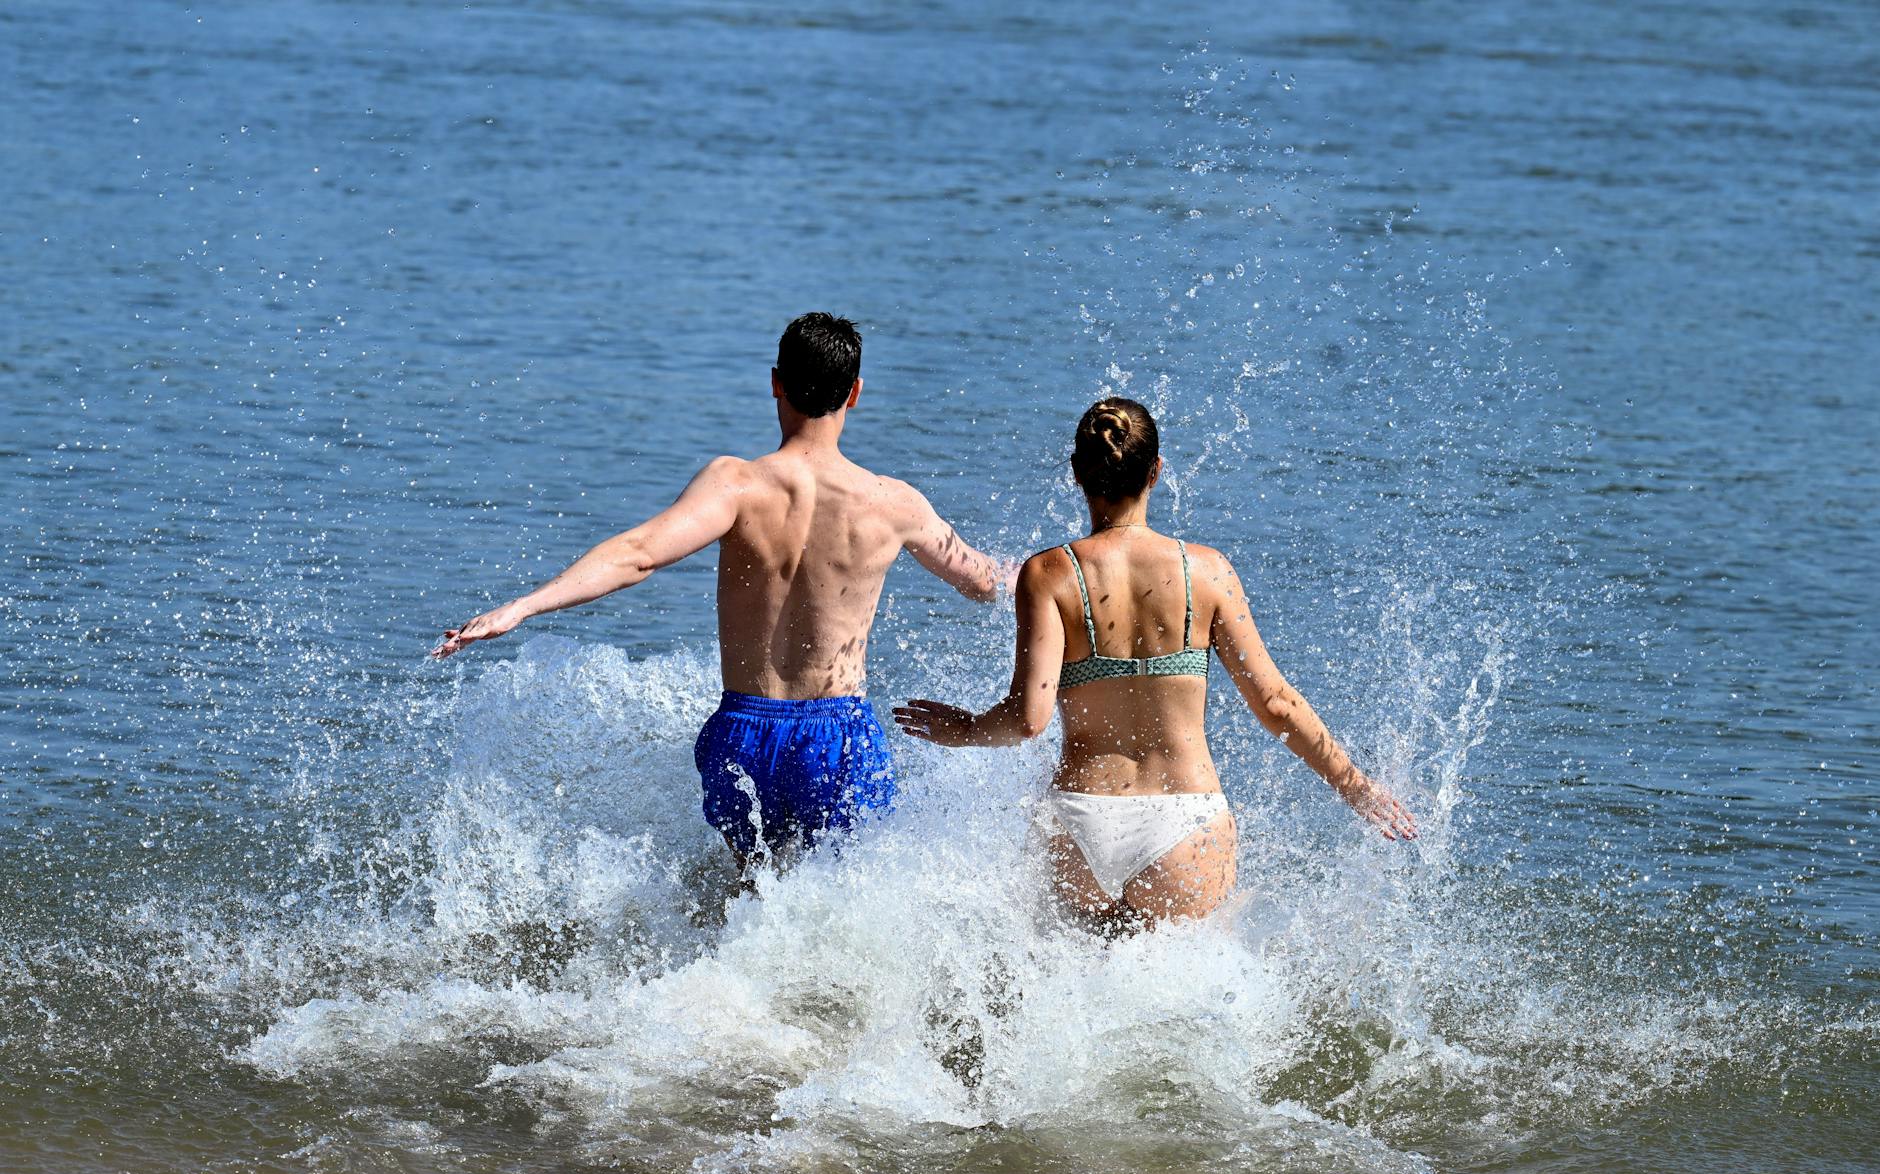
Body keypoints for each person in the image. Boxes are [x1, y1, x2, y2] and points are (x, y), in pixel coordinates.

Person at [433, 313, 1006, 868]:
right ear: (854, 393)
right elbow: (981, 581)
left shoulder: (736, 486)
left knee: (752, 904)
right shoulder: (892, 503)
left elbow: (638, 555)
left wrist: (525, 605)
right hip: (839, 739)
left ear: (775, 382)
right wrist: (1052, 566)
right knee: (843, 902)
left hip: (743, 737)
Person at [894, 397, 1415, 929]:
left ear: (1076, 471)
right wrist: (1357, 786)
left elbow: (1029, 719)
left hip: (1080, 820)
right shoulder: (1208, 572)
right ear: (1157, 471)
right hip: (1185, 823)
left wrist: (965, 729)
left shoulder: (1048, 573)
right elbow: (1276, 705)